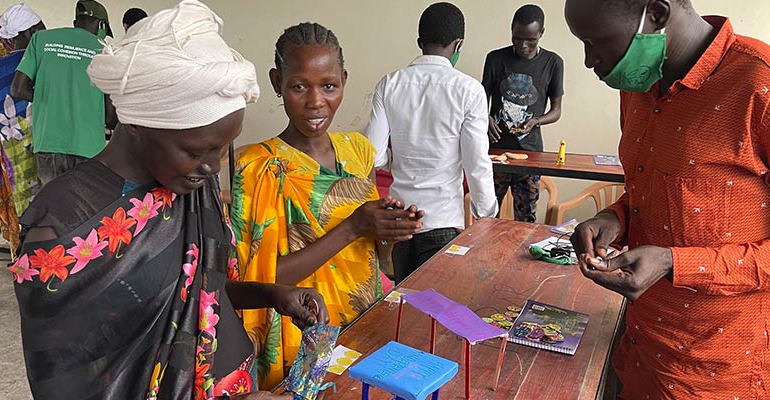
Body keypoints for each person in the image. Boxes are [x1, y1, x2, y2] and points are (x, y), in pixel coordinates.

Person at [14, 1, 322, 399]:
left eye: (222, 150)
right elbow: (71, 383)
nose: (213, 167)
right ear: (140, 124)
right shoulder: (64, 224)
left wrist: (271, 294)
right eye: (196, 151)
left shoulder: (189, 183)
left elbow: (200, 296)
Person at [565, 0, 770, 398]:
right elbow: (657, 193)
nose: (590, 60)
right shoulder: (637, 87)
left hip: (724, 371)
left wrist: (676, 263)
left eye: (596, 42)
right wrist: (615, 219)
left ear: (656, 14)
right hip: (640, 353)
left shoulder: (758, 85)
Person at [232, 22, 423, 388]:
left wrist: (390, 231)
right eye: (299, 86)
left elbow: (375, 259)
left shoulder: (358, 151)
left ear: (344, 81)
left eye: (329, 86)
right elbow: (257, 280)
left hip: (366, 319)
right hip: (303, 333)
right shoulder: (257, 166)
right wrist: (353, 226)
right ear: (276, 82)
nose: (316, 101)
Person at [366, 2, 498, 282]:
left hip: (400, 222)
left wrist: (397, 158)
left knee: (404, 305)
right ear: (458, 44)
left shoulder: (390, 84)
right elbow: (476, 165)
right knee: (437, 311)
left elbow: (372, 155)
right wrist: (487, 217)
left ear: (419, 42)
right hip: (443, 222)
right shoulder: (470, 91)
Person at [11, 0, 112, 186]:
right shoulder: (104, 50)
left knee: (53, 206)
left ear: (76, 23)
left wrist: (49, 97)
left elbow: (17, 89)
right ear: (101, 25)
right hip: (88, 146)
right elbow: (110, 117)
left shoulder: (41, 39)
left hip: (48, 143)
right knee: (85, 208)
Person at [482, 4, 564, 223]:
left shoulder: (553, 63)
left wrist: (535, 121)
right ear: (511, 30)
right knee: (486, 216)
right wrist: (486, 118)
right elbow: (479, 101)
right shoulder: (495, 59)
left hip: (530, 155)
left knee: (526, 218)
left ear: (541, 34)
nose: (523, 46)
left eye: (531, 40)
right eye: (517, 38)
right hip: (495, 150)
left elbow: (556, 111)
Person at [0, 3, 45, 255]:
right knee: (44, 202)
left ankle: (22, 256)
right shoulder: (38, 60)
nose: (43, 33)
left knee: (22, 202)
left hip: (9, 147)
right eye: (40, 29)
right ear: (27, 33)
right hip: (39, 142)